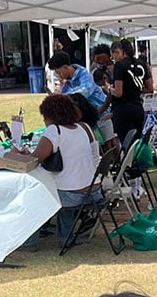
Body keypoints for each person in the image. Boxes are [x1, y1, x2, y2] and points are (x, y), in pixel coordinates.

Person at [11, 94, 101, 243]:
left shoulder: (54, 131)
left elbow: (33, 161)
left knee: (32, 196)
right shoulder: (85, 127)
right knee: (63, 187)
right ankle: (65, 236)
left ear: (49, 116)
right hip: (95, 190)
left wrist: (15, 153)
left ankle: (29, 241)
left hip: (72, 195)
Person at [46, 51, 116, 149]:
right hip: (88, 118)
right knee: (96, 146)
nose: (59, 76)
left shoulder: (85, 75)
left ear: (66, 67)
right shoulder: (68, 83)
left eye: (59, 72)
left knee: (110, 144)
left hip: (102, 113)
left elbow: (83, 92)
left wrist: (63, 97)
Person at [108, 39, 147, 146]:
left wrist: (110, 89)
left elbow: (118, 92)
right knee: (137, 142)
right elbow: (149, 88)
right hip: (138, 107)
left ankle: (129, 162)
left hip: (123, 109)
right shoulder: (141, 64)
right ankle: (138, 161)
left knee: (127, 144)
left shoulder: (119, 66)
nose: (114, 59)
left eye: (113, 55)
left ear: (118, 51)